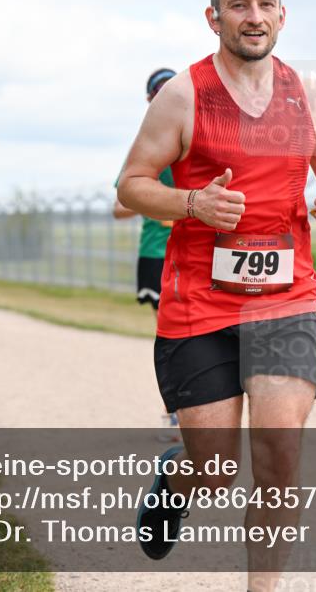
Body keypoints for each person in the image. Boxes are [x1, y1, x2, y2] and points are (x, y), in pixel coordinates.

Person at [117, 0, 316, 591]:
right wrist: (192, 202)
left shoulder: (310, 97)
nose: (254, 16)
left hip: (287, 299)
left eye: (266, 4)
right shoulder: (181, 95)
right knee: (217, 468)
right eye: (239, 5)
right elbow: (132, 186)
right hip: (200, 304)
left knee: (278, 454)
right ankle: (179, 477)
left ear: (283, 14)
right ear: (214, 16)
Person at [113, 67, 181, 442]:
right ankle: (173, 411)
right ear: (149, 100)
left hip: (198, 250)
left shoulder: (195, 136)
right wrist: (154, 198)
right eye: (159, 91)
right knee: (171, 333)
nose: (166, 95)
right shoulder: (145, 146)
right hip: (157, 252)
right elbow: (119, 206)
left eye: (172, 89)